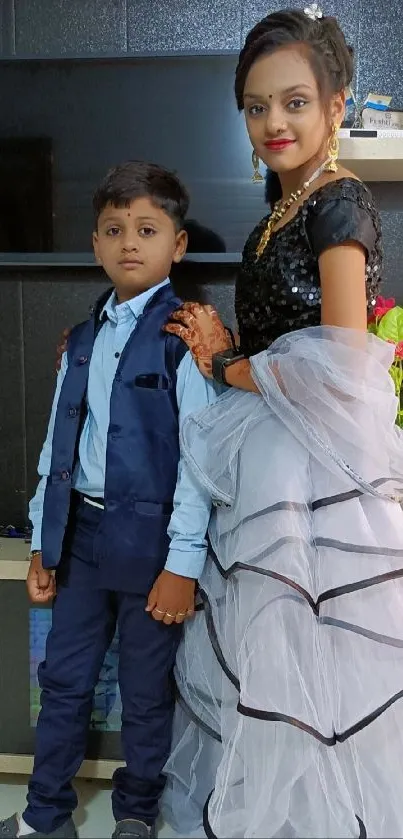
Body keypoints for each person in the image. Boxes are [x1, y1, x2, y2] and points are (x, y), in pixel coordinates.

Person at [160, 8, 403, 839]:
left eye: (294, 102)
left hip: (316, 474)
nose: (274, 123)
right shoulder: (284, 207)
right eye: (257, 106)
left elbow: (339, 363)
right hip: (272, 460)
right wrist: (226, 351)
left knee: (313, 672)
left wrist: (229, 364)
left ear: (336, 106)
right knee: (273, 678)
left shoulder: (337, 203)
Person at [0, 161, 218, 839]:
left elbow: (202, 463)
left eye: (147, 229)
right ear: (94, 244)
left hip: (152, 548)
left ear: (175, 246)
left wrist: (181, 563)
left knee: (148, 692)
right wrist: (43, 537)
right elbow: (55, 449)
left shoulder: (185, 339)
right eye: (113, 229)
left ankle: (135, 813)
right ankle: (45, 816)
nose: (129, 242)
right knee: (62, 681)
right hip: (81, 543)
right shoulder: (81, 339)